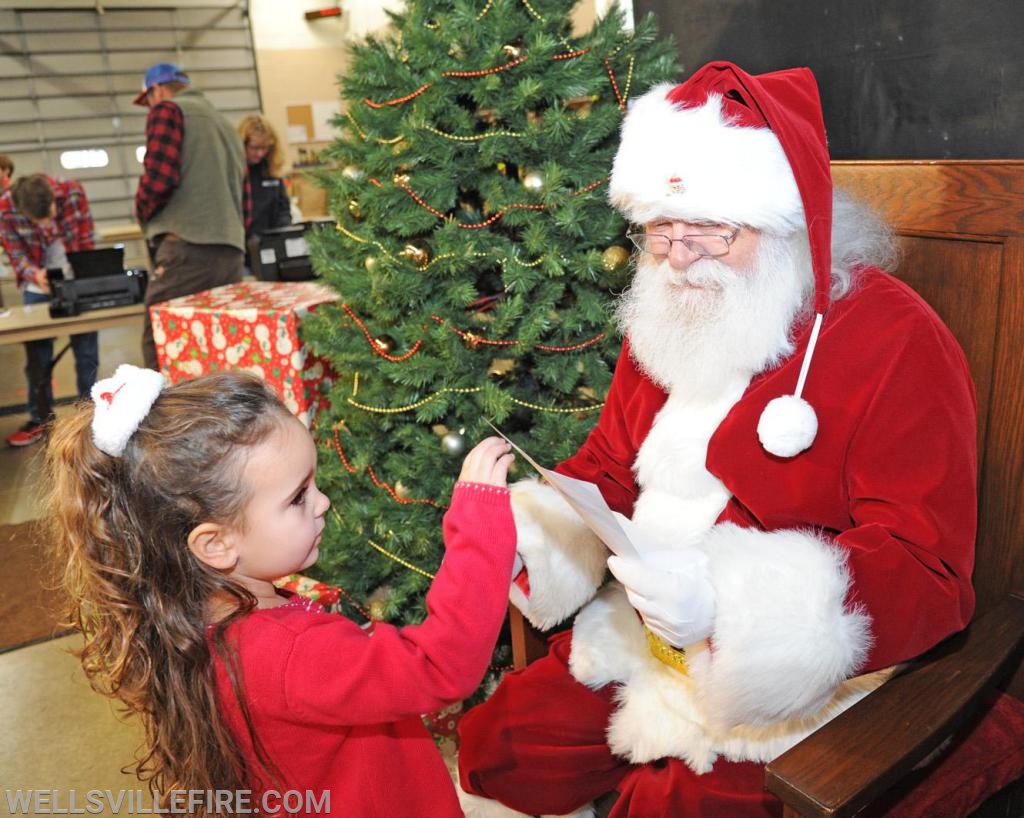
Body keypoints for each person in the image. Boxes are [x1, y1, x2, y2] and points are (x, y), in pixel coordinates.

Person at [457, 61, 978, 817]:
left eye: (712, 232)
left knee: (670, 804)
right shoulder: (670, 311)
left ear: (788, 223)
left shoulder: (897, 339)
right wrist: (526, 536)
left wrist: (729, 607)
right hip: (645, 634)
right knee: (497, 747)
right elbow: (609, 463)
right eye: (661, 232)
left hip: (784, 666)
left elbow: (925, 564)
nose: (679, 259)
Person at [45, 365, 517, 817]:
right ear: (216, 544)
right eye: (298, 497)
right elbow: (438, 667)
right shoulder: (290, 652)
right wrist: (479, 524)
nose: (323, 502)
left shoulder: (193, 621)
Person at [133, 62, 250, 370]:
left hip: (188, 251)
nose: (149, 108)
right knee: (218, 350)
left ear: (157, 90)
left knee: (158, 343)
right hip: (230, 254)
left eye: (147, 101)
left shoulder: (168, 111)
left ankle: (162, 420)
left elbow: (159, 179)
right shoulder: (225, 124)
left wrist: (142, 214)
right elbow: (244, 197)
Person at [0, 173, 99, 447]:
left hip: (76, 280)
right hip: (37, 287)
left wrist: (83, 277)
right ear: (21, 211)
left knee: (87, 354)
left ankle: (88, 416)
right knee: (37, 359)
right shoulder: (5, 210)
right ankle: (39, 420)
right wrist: (35, 275)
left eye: (50, 215)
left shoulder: (73, 193)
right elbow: (17, 256)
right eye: (37, 221)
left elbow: (86, 239)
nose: (46, 225)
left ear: (54, 198)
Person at [236, 114, 293, 274]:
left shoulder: (272, 171)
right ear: (242, 144)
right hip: (242, 253)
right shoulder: (234, 173)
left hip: (270, 249)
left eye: (265, 148)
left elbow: (283, 209)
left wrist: (284, 234)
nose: (260, 153)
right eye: (255, 147)